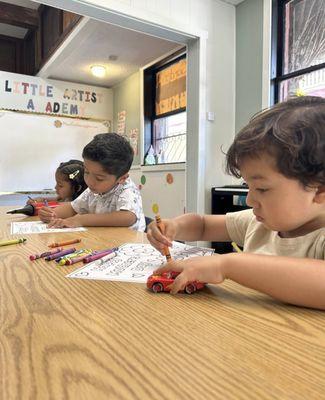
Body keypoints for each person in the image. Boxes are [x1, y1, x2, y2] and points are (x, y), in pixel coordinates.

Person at [147, 96, 325, 309]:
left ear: (320, 189)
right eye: (247, 185)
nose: (250, 199)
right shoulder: (259, 223)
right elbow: (203, 225)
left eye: (262, 189)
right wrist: (175, 226)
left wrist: (226, 264)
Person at [39, 133, 146, 231]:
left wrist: (81, 220)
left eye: (99, 178)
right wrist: (52, 214)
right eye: (86, 172)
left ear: (122, 178)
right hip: (103, 241)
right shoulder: (93, 190)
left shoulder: (127, 190)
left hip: (129, 245)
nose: (90, 181)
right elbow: (72, 208)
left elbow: (127, 217)